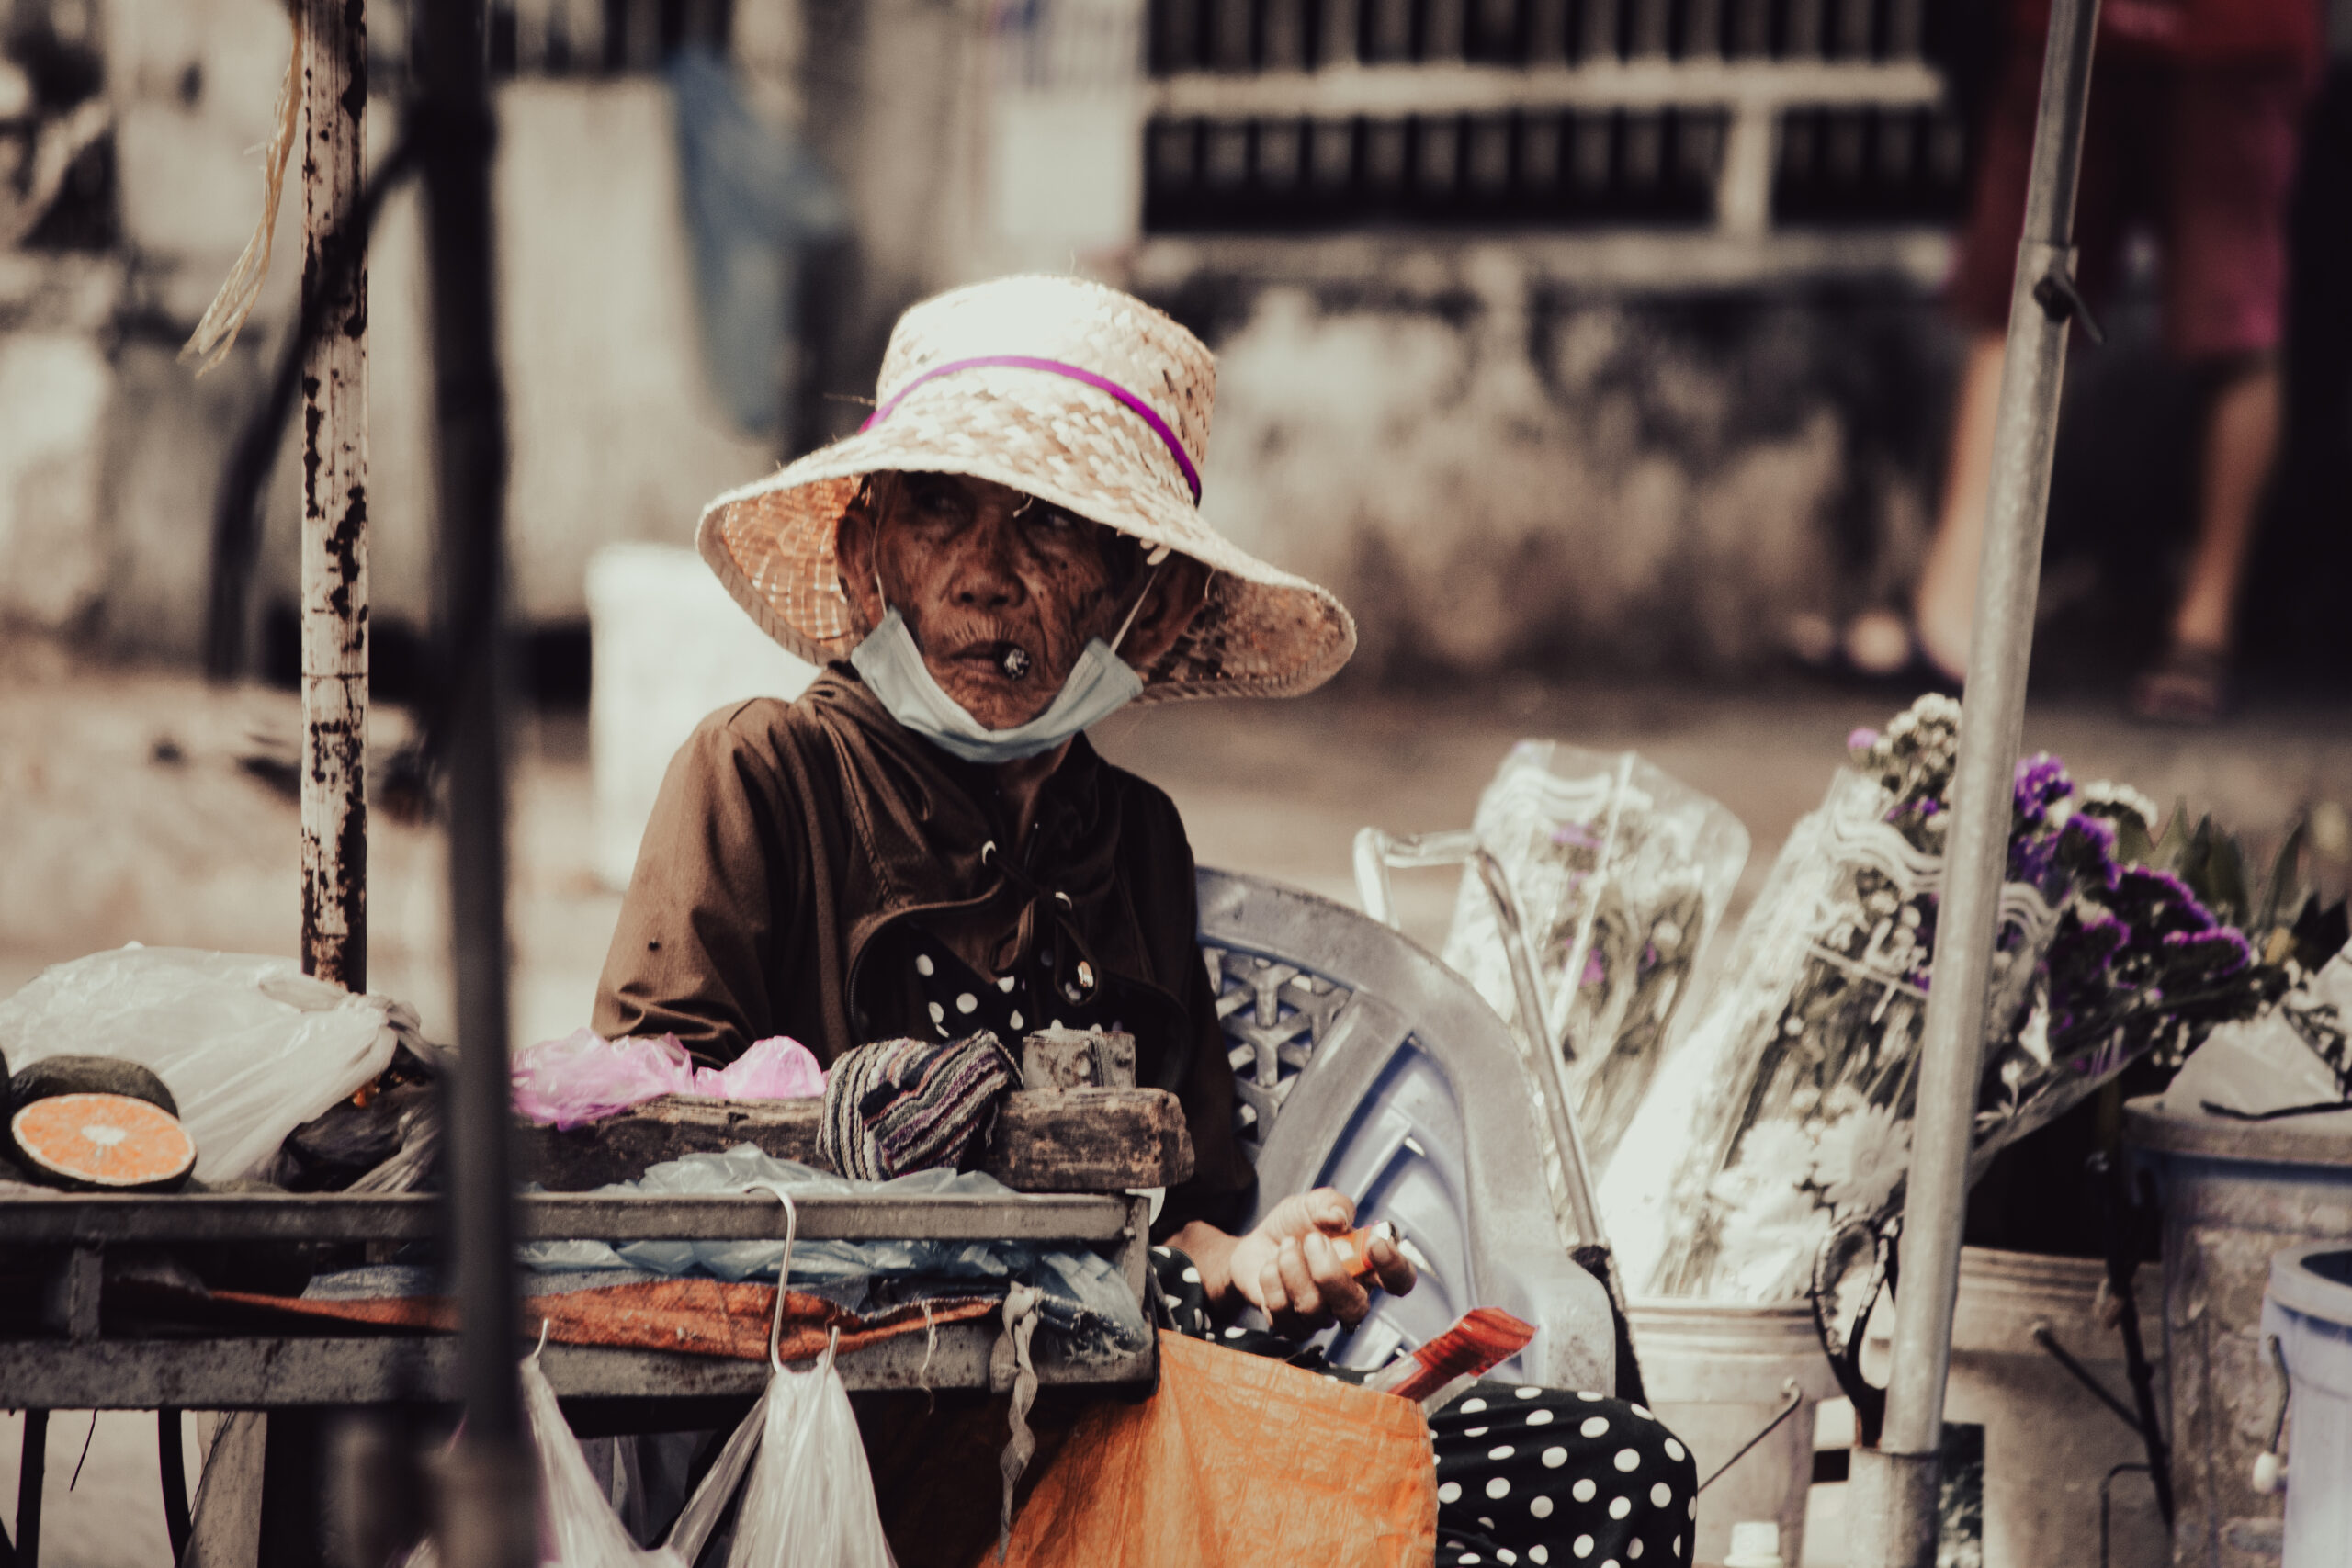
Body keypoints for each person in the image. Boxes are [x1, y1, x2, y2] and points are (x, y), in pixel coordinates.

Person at [594, 275, 1696, 1567]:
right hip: (881, 1441)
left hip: (1136, 1414)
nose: (985, 576)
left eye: (1051, 523)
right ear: (863, 554)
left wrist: (1259, 1261)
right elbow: (640, 1155)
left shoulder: (1135, 840)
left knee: (1619, 1468)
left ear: (1150, 605)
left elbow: (1188, 1228)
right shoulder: (763, 775)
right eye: (938, 508)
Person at [1848, 0, 2323, 722]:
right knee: (2019, 296)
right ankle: (1954, 608)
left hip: (2232, 32)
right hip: (2069, 35)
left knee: (2236, 323)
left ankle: (2205, 623)